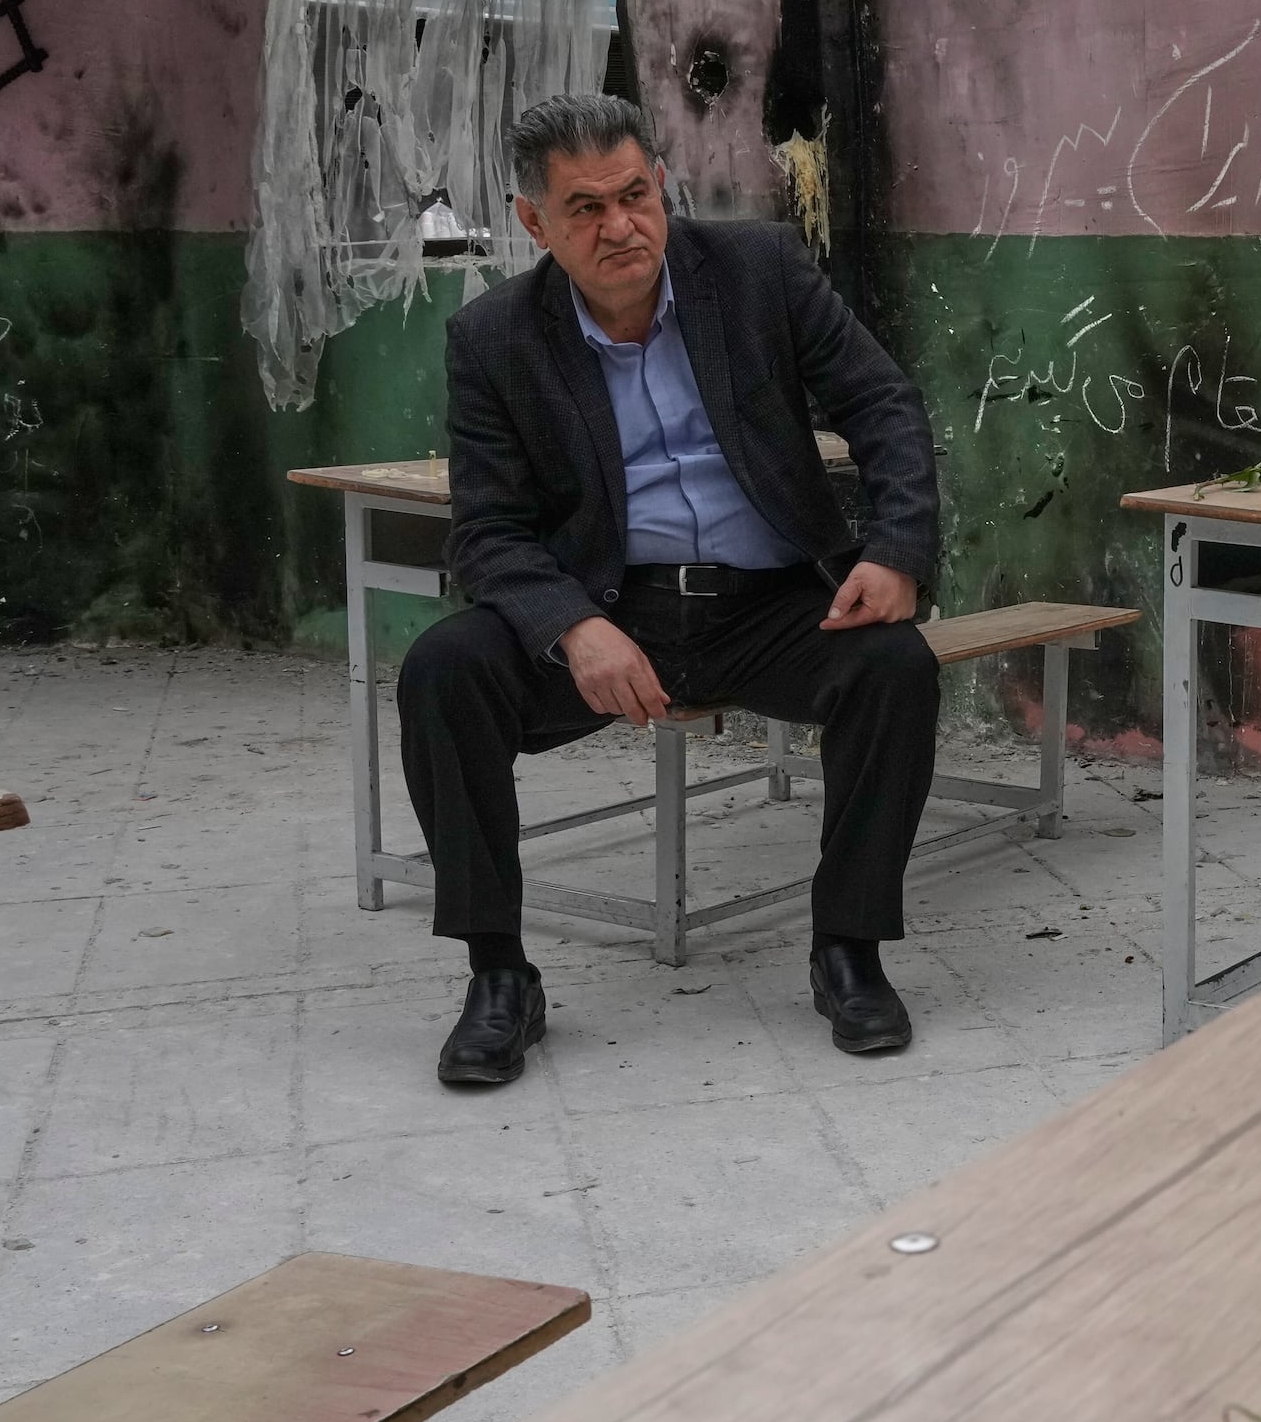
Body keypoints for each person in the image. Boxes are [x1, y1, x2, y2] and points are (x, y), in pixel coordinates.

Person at [399, 92, 943, 1085]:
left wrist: (896, 549)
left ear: (662, 183)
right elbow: (488, 530)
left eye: (636, 194)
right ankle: (498, 977)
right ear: (534, 223)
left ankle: (847, 951)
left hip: (773, 602)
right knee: (445, 669)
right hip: (613, 611)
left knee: (891, 667)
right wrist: (572, 628)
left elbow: (881, 400)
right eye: (585, 209)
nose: (620, 227)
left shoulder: (756, 272)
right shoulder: (494, 339)